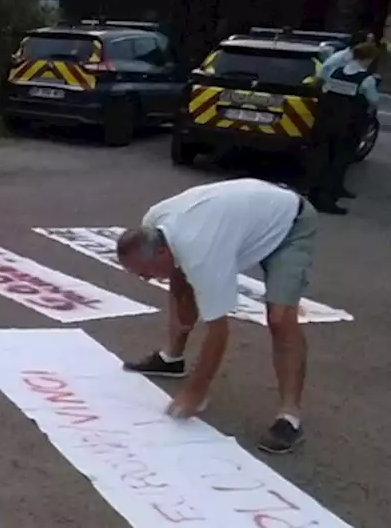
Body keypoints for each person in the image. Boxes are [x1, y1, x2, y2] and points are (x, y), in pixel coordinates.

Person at [115, 178, 316, 454]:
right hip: (248, 213)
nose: (146, 278)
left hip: (289, 225)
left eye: (145, 271)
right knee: (181, 276)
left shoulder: (202, 253)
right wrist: (183, 309)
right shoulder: (153, 221)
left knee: (280, 318)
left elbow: (219, 332)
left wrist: (195, 391)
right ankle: (172, 358)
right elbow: (176, 272)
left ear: (161, 251)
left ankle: (289, 417)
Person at [307, 40, 380, 215]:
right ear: (368, 59)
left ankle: (315, 194)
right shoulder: (366, 79)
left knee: (323, 159)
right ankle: (327, 201)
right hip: (349, 127)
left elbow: (325, 90)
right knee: (339, 162)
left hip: (327, 123)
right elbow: (374, 101)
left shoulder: (337, 72)